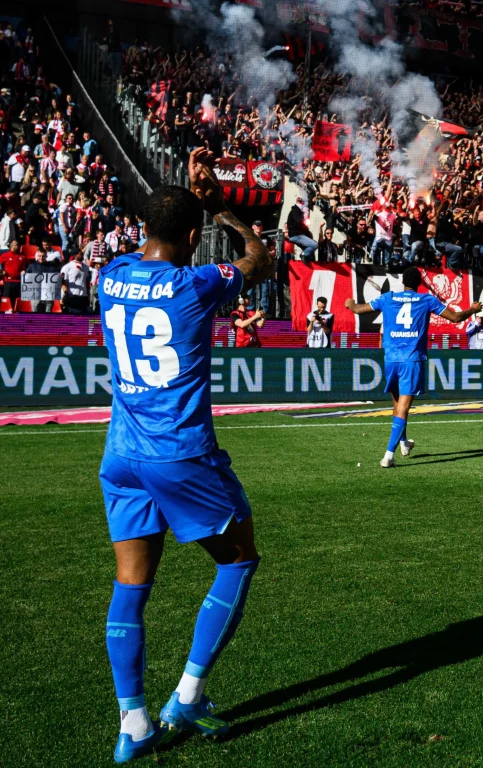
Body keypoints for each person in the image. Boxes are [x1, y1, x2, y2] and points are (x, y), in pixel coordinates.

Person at [95, 148, 273, 762]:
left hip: (121, 454)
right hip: (178, 452)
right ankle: (188, 696)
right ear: (194, 237)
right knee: (239, 559)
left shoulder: (109, 273)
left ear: (144, 229)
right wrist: (225, 209)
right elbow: (260, 260)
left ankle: (134, 723)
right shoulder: (195, 286)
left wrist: (187, 196)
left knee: (132, 584)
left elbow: (164, 220)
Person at [345, 266, 482, 467]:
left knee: (397, 404)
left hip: (391, 358)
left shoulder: (387, 298)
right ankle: (388, 456)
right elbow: (456, 318)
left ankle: (403, 443)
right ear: (419, 284)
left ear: (403, 282)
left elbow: (358, 309)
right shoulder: (426, 300)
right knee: (404, 406)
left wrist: (349, 304)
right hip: (411, 359)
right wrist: (473, 309)